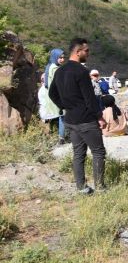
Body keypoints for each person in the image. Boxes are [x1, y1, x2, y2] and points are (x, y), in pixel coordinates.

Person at [48, 38, 107, 195]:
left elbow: (51, 93)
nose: (88, 53)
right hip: (86, 120)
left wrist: (65, 105)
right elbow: (89, 98)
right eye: (86, 51)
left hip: (71, 119)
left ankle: (81, 188)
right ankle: (100, 187)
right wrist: (99, 116)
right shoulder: (81, 71)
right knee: (99, 152)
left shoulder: (60, 71)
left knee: (78, 154)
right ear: (77, 52)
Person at [44, 48, 65, 144]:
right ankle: (61, 137)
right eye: (60, 57)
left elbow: (46, 84)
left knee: (53, 116)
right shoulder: (55, 68)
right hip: (58, 96)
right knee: (62, 116)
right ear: (55, 57)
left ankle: (49, 136)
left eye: (63, 57)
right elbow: (60, 84)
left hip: (50, 95)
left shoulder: (49, 66)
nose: (62, 59)